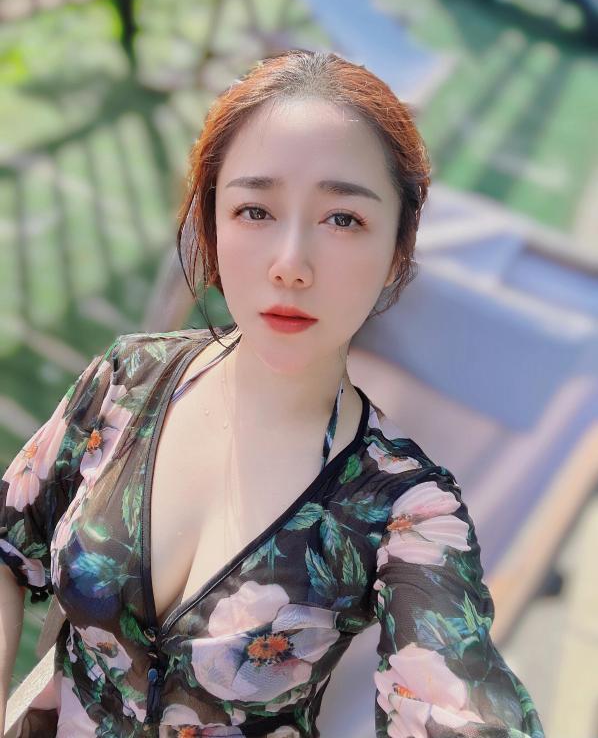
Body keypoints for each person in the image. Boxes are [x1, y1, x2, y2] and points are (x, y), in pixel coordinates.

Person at [0, 49, 545, 738]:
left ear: (397, 252)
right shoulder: (128, 380)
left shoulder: (404, 512)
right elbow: (8, 538)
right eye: (255, 210)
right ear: (212, 224)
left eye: (343, 219)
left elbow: (456, 699)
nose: (291, 265)